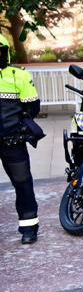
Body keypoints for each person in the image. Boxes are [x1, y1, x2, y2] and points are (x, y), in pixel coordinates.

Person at [0, 35, 41, 244]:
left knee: (23, 183)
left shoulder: (20, 76)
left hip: (12, 142)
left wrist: (18, 127)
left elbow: (32, 107)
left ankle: (29, 228)